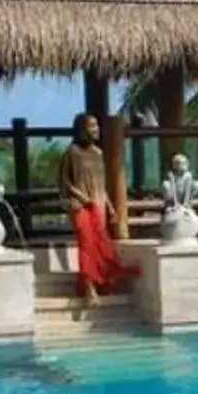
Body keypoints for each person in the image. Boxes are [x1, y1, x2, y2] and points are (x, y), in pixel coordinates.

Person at [58, 113, 140, 299]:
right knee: (86, 243)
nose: (96, 130)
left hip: (98, 206)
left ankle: (99, 281)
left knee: (99, 245)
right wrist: (83, 197)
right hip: (80, 206)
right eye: (92, 126)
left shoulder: (98, 153)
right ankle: (88, 285)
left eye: (97, 126)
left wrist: (110, 207)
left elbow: (101, 186)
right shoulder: (72, 152)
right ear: (82, 129)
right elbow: (65, 182)